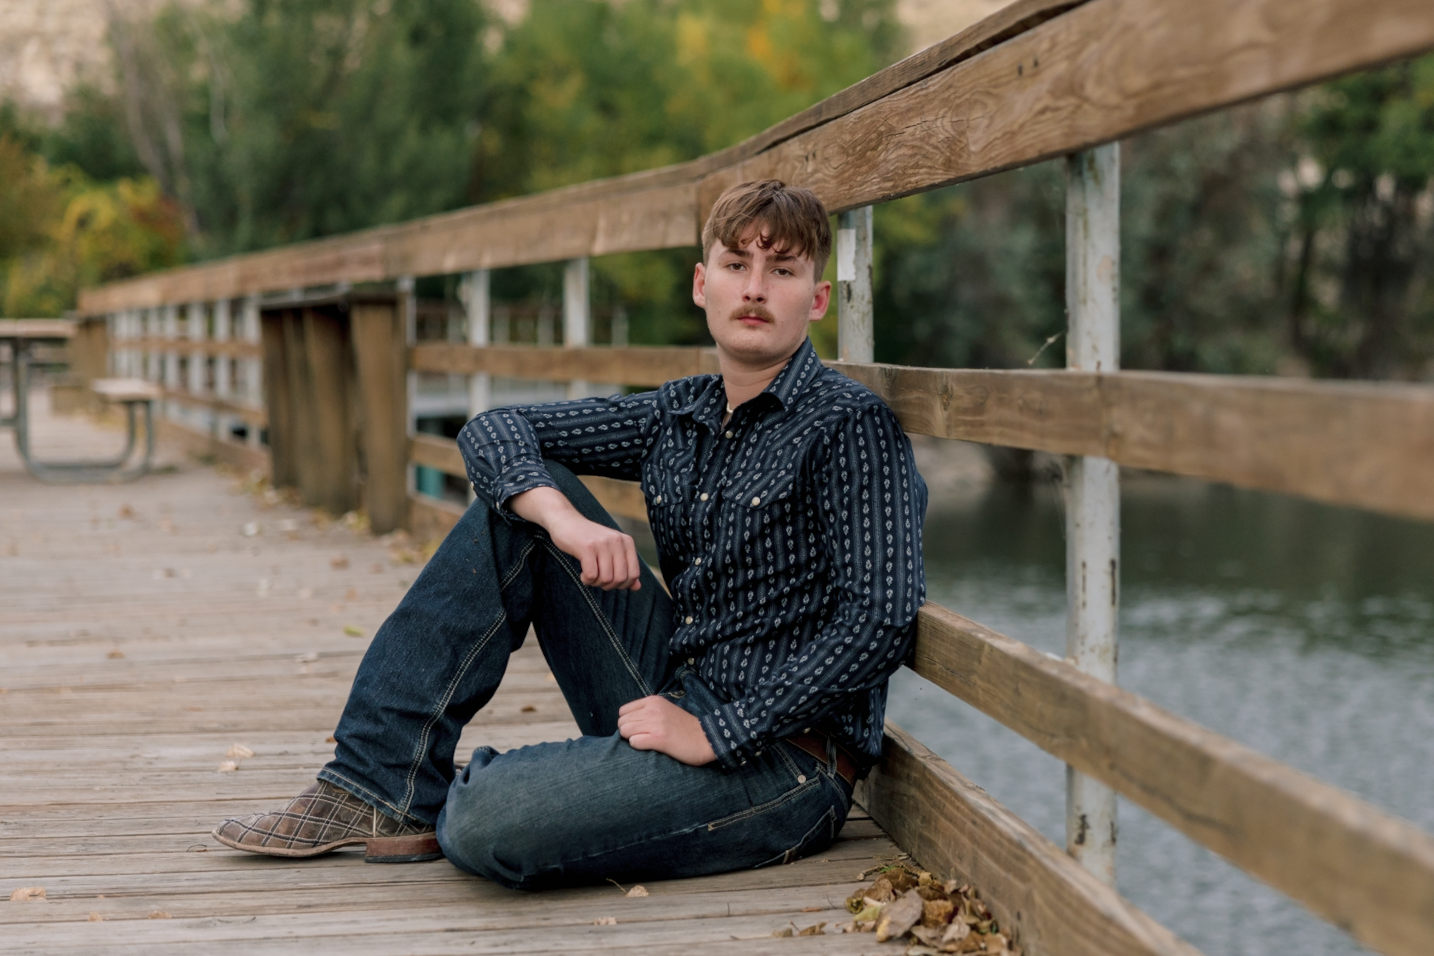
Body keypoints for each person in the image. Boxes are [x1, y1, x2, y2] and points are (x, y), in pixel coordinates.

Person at [213, 179, 927, 888]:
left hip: (781, 761)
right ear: (702, 284)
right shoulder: (678, 412)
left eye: (783, 271)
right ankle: (377, 784)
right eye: (737, 266)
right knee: (516, 508)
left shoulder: (849, 425)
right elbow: (495, 429)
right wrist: (565, 520)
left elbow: (880, 621)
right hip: (672, 690)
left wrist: (719, 733)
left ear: (818, 297)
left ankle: (473, 790)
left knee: (485, 823)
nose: (756, 288)